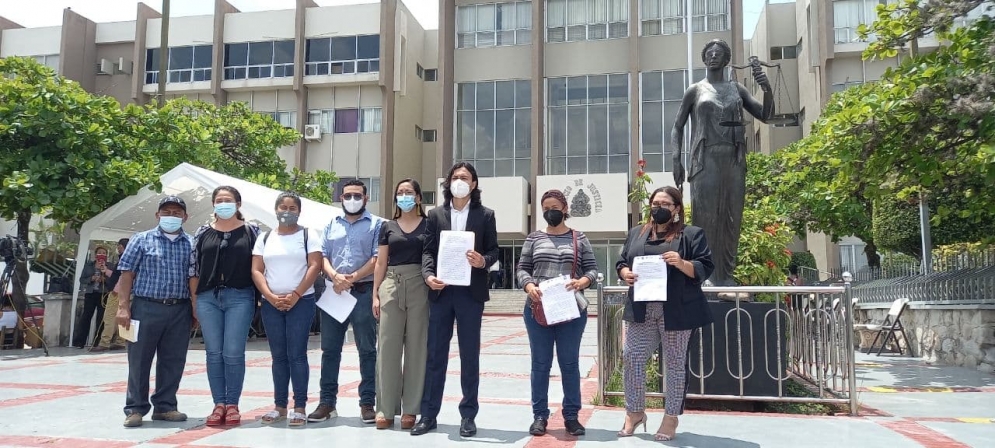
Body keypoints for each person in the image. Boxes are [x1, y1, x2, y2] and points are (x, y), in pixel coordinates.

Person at [615, 186, 714, 442]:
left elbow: (705, 267)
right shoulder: (637, 233)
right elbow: (622, 261)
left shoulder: (691, 235)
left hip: (677, 310)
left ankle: (671, 417)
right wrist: (624, 273)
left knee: (674, 364)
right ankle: (635, 412)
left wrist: (681, 263)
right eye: (655, 202)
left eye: (665, 203)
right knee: (632, 356)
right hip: (642, 308)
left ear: (676, 209)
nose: (658, 207)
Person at [672, 39, 773, 287]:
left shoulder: (736, 89)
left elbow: (765, 115)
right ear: (704, 58)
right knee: (705, 217)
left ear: (726, 60)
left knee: (731, 216)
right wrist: (676, 158)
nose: (714, 56)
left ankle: (726, 276)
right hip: (705, 159)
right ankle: (704, 274)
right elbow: (677, 127)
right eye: (710, 52)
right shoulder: (695, 90)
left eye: (719, 53)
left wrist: (767, 89)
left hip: (733, 159)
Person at [412, 162, 499, 437]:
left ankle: (468, 415)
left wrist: (482, 260)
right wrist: (428, 276)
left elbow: (495, 251)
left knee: (469, 356)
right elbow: (427, 252)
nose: (460, 181)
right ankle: (428, 415)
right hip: (441, 291)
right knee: (435, 355)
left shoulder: (485, 215)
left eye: (465, 177)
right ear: (448, 183)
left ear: (474, 184)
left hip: (470, 294)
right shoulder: (435, 215)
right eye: (455, 177)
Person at [516, 189, 598, 437]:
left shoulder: (579, 237)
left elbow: (592, 270)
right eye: (545, 207)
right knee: (540, 364)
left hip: (569, 309)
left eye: (554, 206)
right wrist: (529, 285)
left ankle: (571, 416)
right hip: (538, 309)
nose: (549, 211)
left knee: (569, 363)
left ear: (564, 209)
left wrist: (582, 282)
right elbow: (522, 269)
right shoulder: (533, 238)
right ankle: (539, 416)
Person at [115, 195, 195, 428]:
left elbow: (193, 278)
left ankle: (165, 406)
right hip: (145, 307)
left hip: (179, 308)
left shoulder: (191, 243)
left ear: (185, 217)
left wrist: (194, 309)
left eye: (177, 213)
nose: (172, 216)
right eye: (167, 212)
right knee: (139, 359)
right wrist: (123, 307)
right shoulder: (141, 239)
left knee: (173, 360)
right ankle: (135, 408)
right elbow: (126, 274)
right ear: (157, 215)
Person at [309, 180, 384, 424]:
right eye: (348, 195)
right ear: (341, 197)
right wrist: (334, 276)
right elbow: (323, 256)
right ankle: (327, 402)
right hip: (335, 292)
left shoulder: (377, 225)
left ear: (366, 197)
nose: (352, 199)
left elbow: (377, 259)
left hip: (363, 291)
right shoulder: (332, 224)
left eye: (357, 195)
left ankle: (367, 403)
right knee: (330, 350)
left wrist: (352, 278)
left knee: (367, 350)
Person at [188, 186, 261, 426]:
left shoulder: (252, 232)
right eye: (218, 200)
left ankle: (233, 404)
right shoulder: (201, 232)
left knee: (232, 352)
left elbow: (260, 266)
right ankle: (218, 404)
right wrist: (194, 301)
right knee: (213, 353)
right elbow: (193, 269)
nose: (223, 204)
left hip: (240, 297)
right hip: (208, 297)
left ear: (238, 204)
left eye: (228, 200)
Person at [252, 192, 323, 428]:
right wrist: (270, 296)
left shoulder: (307, 234)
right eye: (283, 207)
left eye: (293, 208)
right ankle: (279, 406)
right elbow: (257, 270)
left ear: (299, 212)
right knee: (278, 356)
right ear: (275, 210)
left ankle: (299, 406)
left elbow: (315, 265)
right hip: (272, 304)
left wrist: (296, 294)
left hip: (300, 302)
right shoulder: (264, 237)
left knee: (297, 354)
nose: (287, 211)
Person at [372, 179, 431, 430]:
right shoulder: (387, 226)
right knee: (387, 347)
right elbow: (380, 263)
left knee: (417, 346)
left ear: (418, 197)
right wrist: (375, 294)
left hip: (420, 284)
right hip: (391, 284)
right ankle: (385, 408)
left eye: (409, 192)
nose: (404, 196)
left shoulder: (430, 225)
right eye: (400, 193)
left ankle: (411, 410)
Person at [91, 238, 130, 352]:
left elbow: (123, 277)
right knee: (121, 318)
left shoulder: (124, 258)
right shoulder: (129, 258)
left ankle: (105, 342)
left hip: (117, 292)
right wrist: (106, 271)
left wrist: (116, 289)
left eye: (119, 247)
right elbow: (118, 275)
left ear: (122, 247)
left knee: (109, 317)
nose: (118, 249)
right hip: (125, 292)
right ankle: (120, 341)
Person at [73, 246, 113, 348]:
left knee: (101, 318)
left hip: (103, 293)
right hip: (90, 293)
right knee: (86, 317)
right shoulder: (89, 265)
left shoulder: (110, 266)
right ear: (95, 255)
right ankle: (80, 342)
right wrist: (91, 278)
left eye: (104, 253)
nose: (102, 254)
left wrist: (104, 277)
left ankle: (97, 342)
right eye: (100, 252)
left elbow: (113, 280)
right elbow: (82, 279)